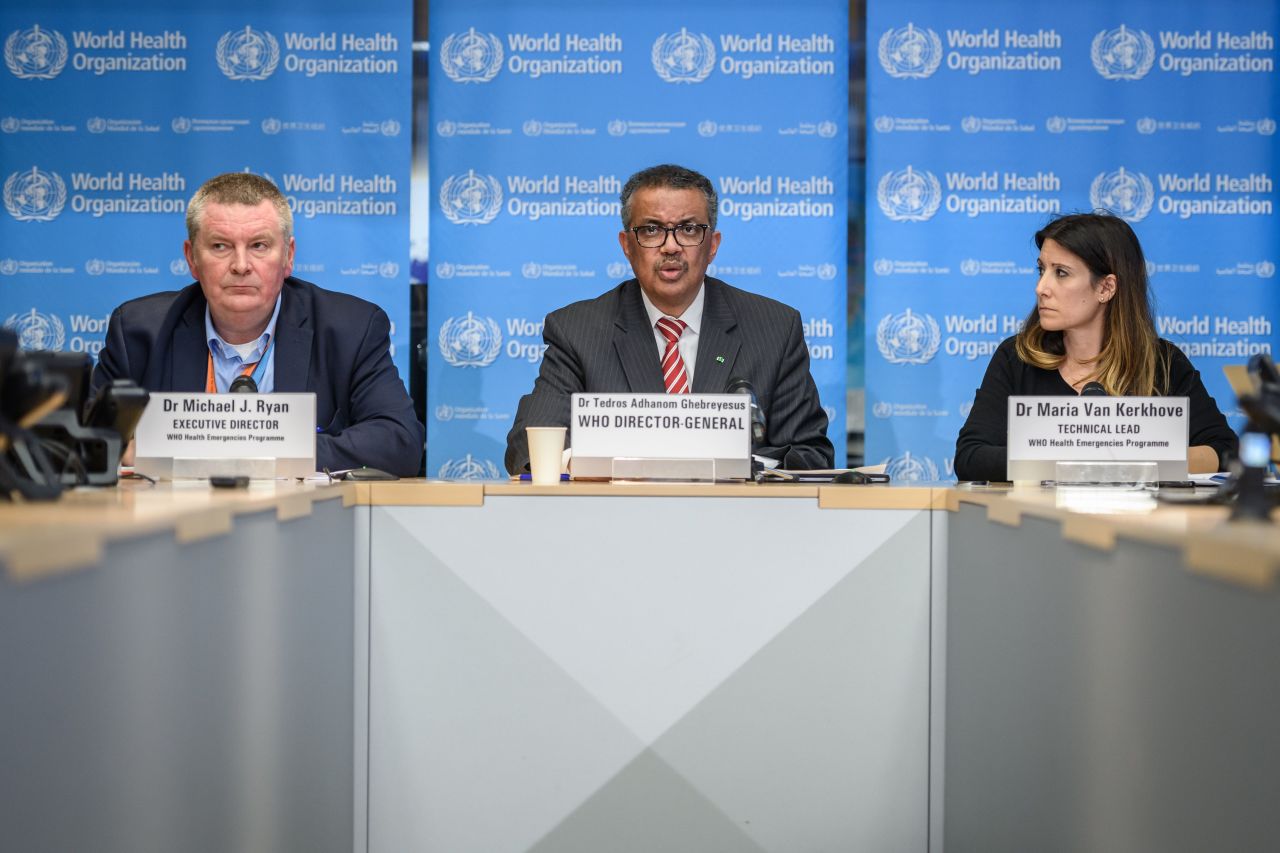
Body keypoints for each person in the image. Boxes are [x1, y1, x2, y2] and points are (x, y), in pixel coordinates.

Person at [505, 163, 833, 474]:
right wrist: (601, 465)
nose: (671, 246)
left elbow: (810, 455)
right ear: (627, 246)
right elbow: (529, 446)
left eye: (688, 229)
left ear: (713, 244)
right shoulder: (577, 331)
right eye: (651, 230)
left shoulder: (774, 329)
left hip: (736, 522)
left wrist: (735, 467)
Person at [91, 172, 424, 476]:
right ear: (192, 258)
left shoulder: (350, 329)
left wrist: (256, 451)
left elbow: (399, 442)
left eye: (258, 246)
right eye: (220, 246)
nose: (240, 265)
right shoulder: (138, 331)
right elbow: (83, 445)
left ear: (288, 256)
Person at [954, 212, 1237, 481]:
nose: (1041, 287)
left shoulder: (1162, 362)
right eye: (1042, 270)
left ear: (1106, 288)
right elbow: (970, 458)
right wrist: (1077, 459)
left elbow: (1226, 451)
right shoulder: (1017, 358)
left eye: (1061, 273)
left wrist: (1137, 461)